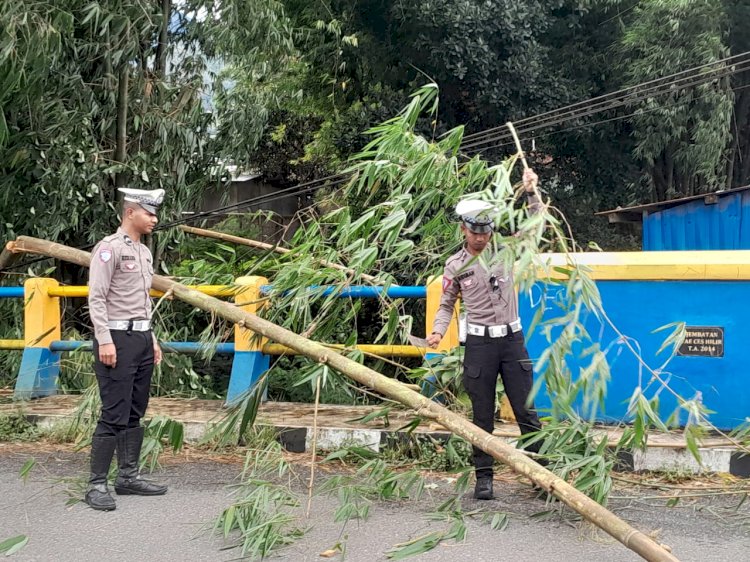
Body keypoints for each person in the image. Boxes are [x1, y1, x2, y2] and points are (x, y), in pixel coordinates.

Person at [427, 168, 544, 500]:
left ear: (492, 230)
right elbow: (447, 303)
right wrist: (437, 332)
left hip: (512, 342)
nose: (481, 238)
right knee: (481, 414)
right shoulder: (454, 265)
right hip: (479, 345)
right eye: (475, 232)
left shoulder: (507, 252)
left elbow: (535, 229)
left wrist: (531, 192)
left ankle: (541, 475)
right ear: (464, 229)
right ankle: (484, 478)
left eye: (486, 231)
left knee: (526, 410)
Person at [85, 187, 168, 511]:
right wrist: (104, 339)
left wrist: (152, 338)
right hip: (116, 340)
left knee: (135, 410)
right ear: (131, 212)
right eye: (149, 212)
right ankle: (96, 485)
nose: (154, 218)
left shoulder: (144, 252)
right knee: (114, 413)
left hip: (141, 340)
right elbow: (97, 297)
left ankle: (128, 477)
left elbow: (142, 302)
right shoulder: (109, 249)